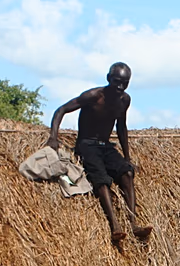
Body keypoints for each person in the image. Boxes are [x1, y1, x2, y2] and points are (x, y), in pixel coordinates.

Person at [47, 62, 153, 243]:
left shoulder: (124, 100)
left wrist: (127, 157)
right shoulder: (94, 96)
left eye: (124, 83)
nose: (120, 87)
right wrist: (53, 137)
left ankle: (133, 223)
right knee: (101, 180)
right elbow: (61, 110)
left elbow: (121, 127)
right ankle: (115, 226)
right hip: (87, 144)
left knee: (126, 172)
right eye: (116, 81)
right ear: (108, 78)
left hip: (105, 145)